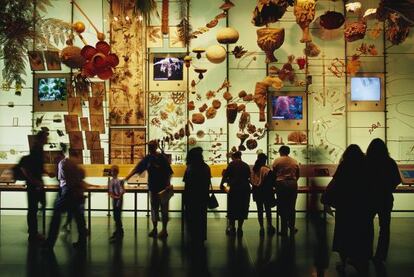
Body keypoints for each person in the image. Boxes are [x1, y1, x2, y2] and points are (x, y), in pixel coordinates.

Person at [322, 144, 372, 274]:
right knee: (361, 232)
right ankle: (359, 260)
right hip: (362, 205)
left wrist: (327, 198)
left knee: (343, 232)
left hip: (345, 205)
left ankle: (343, 262)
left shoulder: (344, 165)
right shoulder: (366, 166)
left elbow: (335, 182)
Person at [124, 140, 173, 239]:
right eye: (149, 146)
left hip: (163, 188)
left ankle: (164, 230)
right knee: (154, 210)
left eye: (152, 146)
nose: (150, 147)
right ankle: (155, 229)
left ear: (156, 146)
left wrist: (168, 184)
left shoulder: (162, 158)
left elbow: (169, 172)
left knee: (164, 210)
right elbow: (137, 169)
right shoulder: (148, 159)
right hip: (153, 188)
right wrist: (126, 178)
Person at [366, 138, 401, 264]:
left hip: (369, 199)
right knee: (385, 228)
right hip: (385, 198)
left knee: (367, 226)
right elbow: (397, 179)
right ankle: (380, 256)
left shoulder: (367, 162)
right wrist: (387, 189)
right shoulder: (389, 162)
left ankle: (366, 252)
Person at [44, 150, 88, 250]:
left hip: (67, 193)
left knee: (56, 217)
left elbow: (61, 179)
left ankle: (50, 243)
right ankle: (82, 242)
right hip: (74, 194)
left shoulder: (64, 164)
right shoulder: (75, 166)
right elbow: (78, 180)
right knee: (79, 219)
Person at [20, 130, 48, 243]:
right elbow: (27, 167)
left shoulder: (38, 149)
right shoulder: (37, 150)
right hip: (34, 184)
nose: (47, 139)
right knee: (33, 209)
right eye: (46, 137)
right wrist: (34, 181)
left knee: (35, 207)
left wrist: (45, 172)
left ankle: (33, 231)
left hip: (35, 183)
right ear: (42, 138)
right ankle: (33, 233)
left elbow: (36, 167)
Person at [183, 147, 211, 243]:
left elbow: (187, 184)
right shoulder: (206, 167)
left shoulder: (190, 168)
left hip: (191, 197)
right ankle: (201, 237)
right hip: (202, 197)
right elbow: (207, 182)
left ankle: (192, 237)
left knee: (191, 218)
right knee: (202, 218)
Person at [221, 151, 251, 237]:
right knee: (243, 207)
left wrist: (223, 185)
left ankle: (233, 227)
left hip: (234, 188)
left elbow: (226, 176)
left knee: (233, 207)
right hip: (244, 188)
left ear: (233, 157)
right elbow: (249, 176)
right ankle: (240, 227)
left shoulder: (231, 164)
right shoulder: (245, 165)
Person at [272, 145, 299, 237]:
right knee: (291, 206)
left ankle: (284, 229)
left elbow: (274, 173)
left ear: (281, 152)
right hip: (292, 183)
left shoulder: (277, 160)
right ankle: (291, 227)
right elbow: (298, 174)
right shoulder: (294, 161)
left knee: (282, 206)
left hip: (281, 183)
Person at [251, 153, 276, 236]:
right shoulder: (266, 169)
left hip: (257, 191)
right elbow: (272, 181)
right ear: (264, 160)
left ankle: (261, 227)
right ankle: (269, 225)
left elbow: (251, 180)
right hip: (266, 191)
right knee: (268, 209)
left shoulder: (254, 169)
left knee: (260, 210)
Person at [108, 165, 125, 241]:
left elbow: (122, 190)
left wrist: (118, 196)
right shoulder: (111, 181)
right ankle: (119, 231)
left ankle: (119, 232)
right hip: (116, 199)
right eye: (112, 171)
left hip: (118, 199)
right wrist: (114, 196)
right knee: (116, 215)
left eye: (114, 171)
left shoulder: (118, 181)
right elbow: (110, 191)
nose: (113, 172)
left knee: (117, 215)